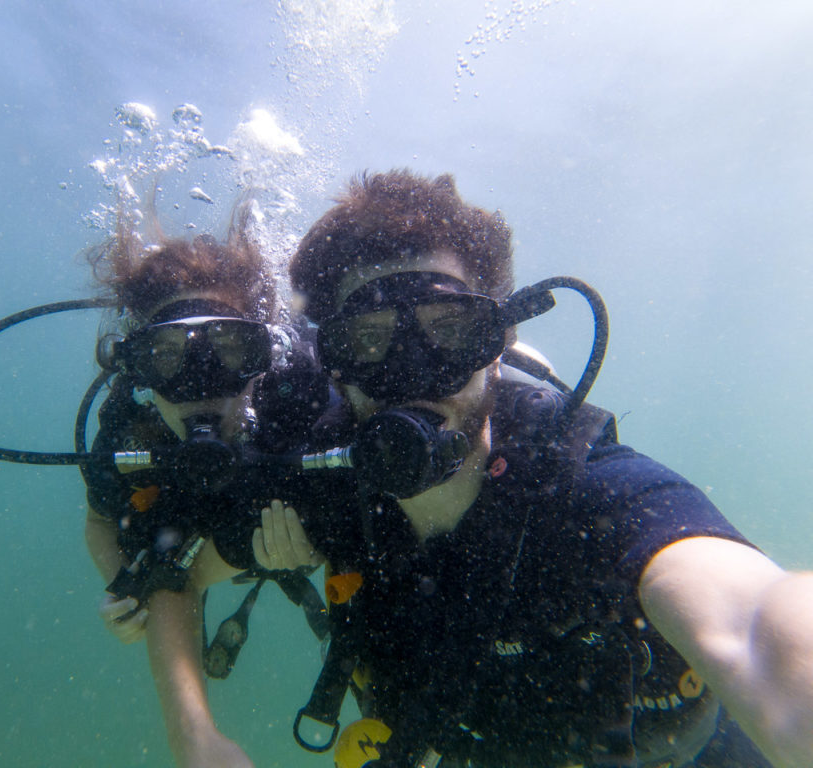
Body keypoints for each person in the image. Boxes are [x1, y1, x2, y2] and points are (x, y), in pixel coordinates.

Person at [281, 169, 813, 768]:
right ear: (334, 363)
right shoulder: (324, 488)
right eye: (370, 340)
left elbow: (756, 616)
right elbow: (185, 560)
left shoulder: (592, 490)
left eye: (450, 332)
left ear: (498, 345)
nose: (411, 374)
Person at [81, 209, 325, 768]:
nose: (199, 385)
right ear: (138, 372)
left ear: (264, 354)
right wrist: (125, 579)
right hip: (194, 533)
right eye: (166, 357)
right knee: (163, 546)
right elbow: (101, 523)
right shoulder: (127, 431)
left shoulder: (304, 394)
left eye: (232, 350)